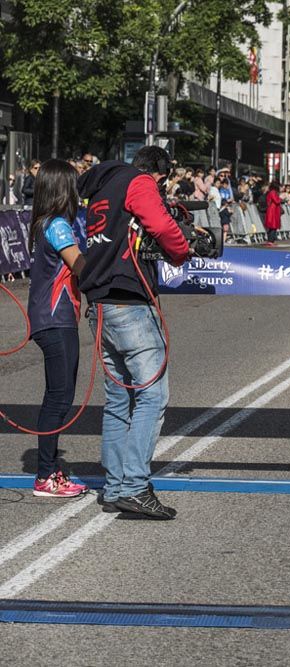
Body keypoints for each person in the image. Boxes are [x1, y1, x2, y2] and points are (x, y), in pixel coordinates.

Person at [77, 145, 191, 519]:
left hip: (100, 302)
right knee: (151, 396)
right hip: (129, 299)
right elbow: (159, 225)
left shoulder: (101, 186)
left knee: (119, 400)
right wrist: (182, 250)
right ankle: (134, 486)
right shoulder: (139, 182)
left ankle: (113, 487)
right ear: (158, 174)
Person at [26, 160, 89, 498]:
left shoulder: (45, 222)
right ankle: (46, 476)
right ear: (64, 188)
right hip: (55, 318)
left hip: (55, 318)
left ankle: (50, 471)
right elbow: (79, 264)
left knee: (59, 396)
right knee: (58, 398)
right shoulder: (58, 225)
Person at [264, 181, 283, 247]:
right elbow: (277, 201)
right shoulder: (273, 192)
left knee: (273, 227)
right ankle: (270, 241)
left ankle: (272, 240)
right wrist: (281, 198)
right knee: (272, 226)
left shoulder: (273, 192)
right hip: (272, 211)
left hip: (274, 210)